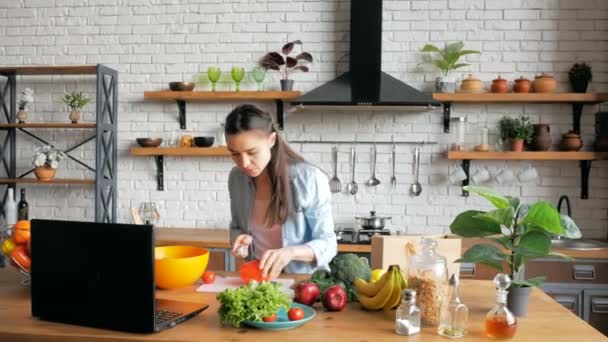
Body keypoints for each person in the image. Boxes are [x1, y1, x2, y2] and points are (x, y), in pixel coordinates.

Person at [225, 104, 337, 280]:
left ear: (271, 140)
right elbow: (237, 227)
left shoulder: (308, 178)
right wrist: (240, 240)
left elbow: (329, 244)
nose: (244, 163)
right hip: (260, 283)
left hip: (303, 285)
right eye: (235, 154)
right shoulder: (236, 178)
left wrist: (290, 253)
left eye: (252, 152)